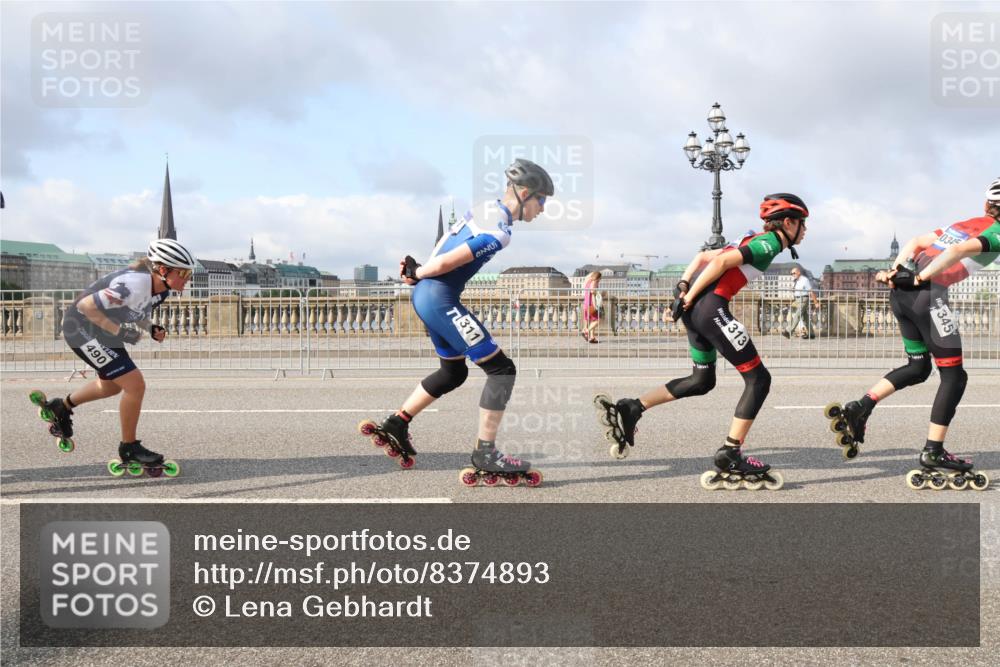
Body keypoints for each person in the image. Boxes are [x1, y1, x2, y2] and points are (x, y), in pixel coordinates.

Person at [357, 158, 553, 487]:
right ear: (522, 192)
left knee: (453, 372)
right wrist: (418, 273)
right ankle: (486, 452)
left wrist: (416, 275)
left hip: (427, 295)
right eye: (542, 200)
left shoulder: (483, 209)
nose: (543, 209)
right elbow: (450, 259)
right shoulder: (499, 230)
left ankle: (397, 422)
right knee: (502, 370)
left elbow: (443, 247)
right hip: (439, 297)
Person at [594, 193, 810, 491]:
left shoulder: (749, 237)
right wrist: (690, 297)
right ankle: (730, 453)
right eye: (802, 223)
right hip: (712, 310)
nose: (805, 230)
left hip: (697, 313)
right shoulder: (770, 241)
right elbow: (720, 261)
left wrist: (684, 287)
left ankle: (633, 407)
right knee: (759, 380)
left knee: (702, 380)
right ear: (787, 223)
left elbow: (702, 257)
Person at [824, 178, 998, 490]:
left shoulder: (966, 222)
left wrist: (897, 272)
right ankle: (934, 451)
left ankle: (862, 406)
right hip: (928, 296)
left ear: (986, 204)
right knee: (954, 377)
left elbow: (917, 241)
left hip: (901, 296)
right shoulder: (995, 231)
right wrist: (920, 277)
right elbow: (959, 251)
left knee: (918, 366)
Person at [29, 238, 196, 478]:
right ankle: (129, 448)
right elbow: (87, 306)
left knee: (110, 386)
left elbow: (134, 311)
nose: (187, 278)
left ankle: (61, 407)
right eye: (183, 272)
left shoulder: (162, 290)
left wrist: (150, 328)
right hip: (81, 328)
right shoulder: (133, 284)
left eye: (189, 272)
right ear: (163, 270)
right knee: (134, 384)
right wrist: (121, 332)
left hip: (101, 330)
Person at [783, 266, 819, 339]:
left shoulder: (804, 280)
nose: (793, 275)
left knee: (797, 315)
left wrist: (816, 303)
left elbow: (811, 291)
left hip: (803, 300)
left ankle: (789, 331)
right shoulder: (797, 281)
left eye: (794, 273)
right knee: (805, 318)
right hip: (797, 300)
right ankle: (811, 334)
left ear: (798, 272)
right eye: (791, 274)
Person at [581, 270, 602, 343]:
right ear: (598, 277)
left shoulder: (588, 281)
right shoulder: (594, 282)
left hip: (586, 304)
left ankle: (592, 337)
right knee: (598, 320)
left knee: (592, 320)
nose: (600, 280)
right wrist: (600, 293)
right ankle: (586, 331)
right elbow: (592, 292)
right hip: (591, 304)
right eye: (600, 279)